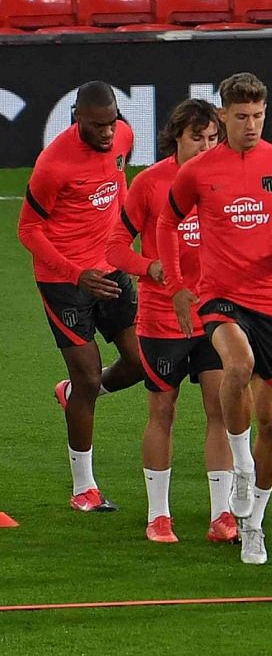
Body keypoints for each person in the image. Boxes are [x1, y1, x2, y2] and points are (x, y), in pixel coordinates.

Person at [158, 72, 272, 566]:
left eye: (258, 116)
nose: (251, 125)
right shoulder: (198, 171)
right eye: (241, 117)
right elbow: (168, 222)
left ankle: (253, 523)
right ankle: (240, 467)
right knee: (237, 364)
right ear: (223, 116)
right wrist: (176, 286)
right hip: (221, 297)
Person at [106, 100, 237, 543]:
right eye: (196, 137)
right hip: (162, 319)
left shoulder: (227, 177)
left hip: (215, 316)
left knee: (220, 410)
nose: (205, 146)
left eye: (212, 137)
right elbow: (115, 248)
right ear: (176, 137)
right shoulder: (149, 184)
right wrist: (150, 268)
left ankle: (222, 514)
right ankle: (158, 516)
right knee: (163, 412)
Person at [18, 81, 143, 512]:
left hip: (110, 269)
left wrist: (125, 245)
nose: (108, 133)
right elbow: (27, 231)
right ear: (77, 117)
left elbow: (120, 185)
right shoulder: (53, 165)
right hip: (64, 280)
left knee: (142, 363)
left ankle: (71, 395)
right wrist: (75, 273)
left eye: (111, 123)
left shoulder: (124, 136)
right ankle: (83, 488)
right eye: (98, 125)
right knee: (90, 378)